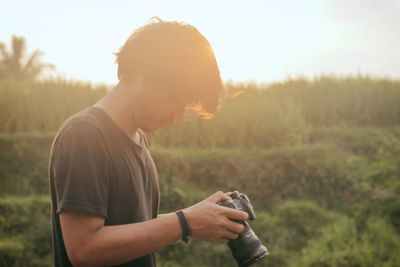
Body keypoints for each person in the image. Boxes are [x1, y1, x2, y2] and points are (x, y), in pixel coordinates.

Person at [48, 18, 248, 267]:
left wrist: (195, 218)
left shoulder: (138, 138)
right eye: (177, 98)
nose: (178, 116)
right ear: (144, 76)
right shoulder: (85, 135)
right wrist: (184, 222)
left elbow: (127, 226)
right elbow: (85, 249)